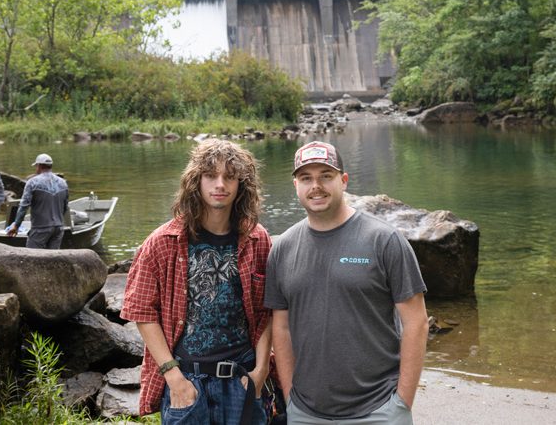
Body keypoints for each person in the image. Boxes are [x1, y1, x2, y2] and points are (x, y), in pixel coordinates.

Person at [265, 140, 429, 424]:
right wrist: (291, 396)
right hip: (306, 413)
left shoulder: (384, 240)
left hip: (379, 410)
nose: (316, 186)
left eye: (325, 176)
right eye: (306, 178)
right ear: (296, 186)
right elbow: (281, 327)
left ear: (343, 180)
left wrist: (402, 402)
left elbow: (417, 322)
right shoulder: (283, 248)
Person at [121, 139, 272, 425]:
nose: (220, 184)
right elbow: (141, 310)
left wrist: (261, 370)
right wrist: (173, 376)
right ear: (196, 181)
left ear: (241, 184)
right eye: (210, 175)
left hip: (242, 378)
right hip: (188, 380)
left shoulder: (257, 239)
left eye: (229, 177)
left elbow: (268, 310)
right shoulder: (162, 242)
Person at [6, 153, 69, 249]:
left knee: (32, 258)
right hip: (58, 228)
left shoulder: (32, 182)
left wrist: (16, 225)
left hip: (40, 229)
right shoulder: (63, 183)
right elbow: (65, 207)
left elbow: (23, 206)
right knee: (53, 258)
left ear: (39, 166)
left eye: (36, 166)